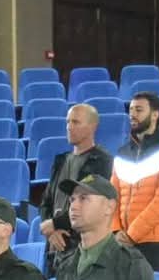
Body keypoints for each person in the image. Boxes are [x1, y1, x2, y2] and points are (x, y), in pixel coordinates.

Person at [111, 90, 159, 275]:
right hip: (122, 243)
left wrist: (131, 234)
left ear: (155, 115)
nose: (132, 115)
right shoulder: (122, 153)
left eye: (139, 110)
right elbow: (112, 197)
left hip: (155, 245)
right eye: (131, 110)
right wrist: (115, 231)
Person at [42, 103, 113, 263]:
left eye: (75, 122)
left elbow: (91, 204)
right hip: (55, 247)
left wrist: (54, 224)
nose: (69, 127)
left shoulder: (102, 160)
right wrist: (51, 231)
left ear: (92, 127)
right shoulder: (60, 160)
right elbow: (46, 202)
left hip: (82, 246)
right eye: (68, 122)